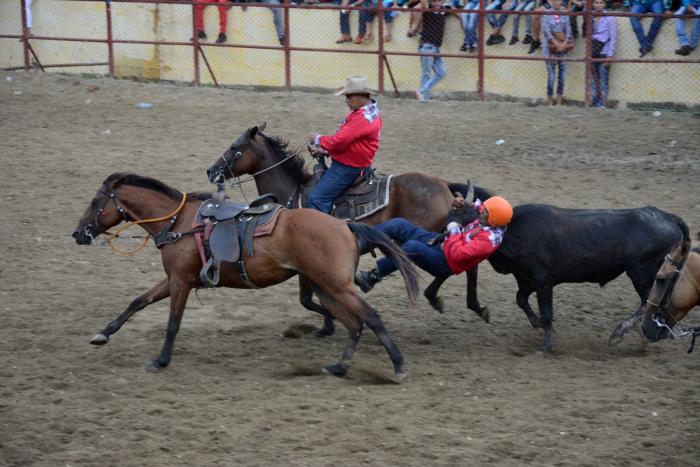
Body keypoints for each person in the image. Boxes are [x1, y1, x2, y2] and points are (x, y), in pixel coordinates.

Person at [354, 196, 514, 293]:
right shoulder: (490, 218)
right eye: (484, 209)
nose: (482, 212)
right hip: (440, 241)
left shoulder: (488, 241)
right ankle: (356, 241)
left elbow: (457, 254)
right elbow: (477, 207)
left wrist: (454, 226)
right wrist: (462, 203)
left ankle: (372, 277)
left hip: (445, 262)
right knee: (398, 224)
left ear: (493, 220)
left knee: (412, 247)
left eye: (486, 213)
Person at [307, 76, 382, 214]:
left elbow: (339, 141)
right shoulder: (367, 112)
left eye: (349, 97)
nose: (347, 101)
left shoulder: (361, 118)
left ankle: (323, 232)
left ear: (362, 96)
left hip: (348, 167)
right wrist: (326, 151)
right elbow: (350, 143)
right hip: (356, 162)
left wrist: (318, 139)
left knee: (316, 198)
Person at [416, 0, 449, 101]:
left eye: (439, 1)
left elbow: (458, 11)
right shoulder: (428, 10)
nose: (437, 4)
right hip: (427, 46)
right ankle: (424, 98)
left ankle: (422, 91)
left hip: (436, 47)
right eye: (434, 1)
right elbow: (423, 3)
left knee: (441, 73)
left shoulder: (444, 10)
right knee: (426, 73)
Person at [542, 0, 573, 105]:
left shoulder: (565, 13)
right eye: (554, 1)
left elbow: (568, 29)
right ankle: (550, 100)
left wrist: (563, 44)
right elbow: (546, 31)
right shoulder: (547, 13)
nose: (557, 2)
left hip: (562, 47)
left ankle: (559, 100)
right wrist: (556, 43)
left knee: (562, 76)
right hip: (550, 48)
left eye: (559, 0)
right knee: (551, 76)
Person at [590, 0, 617, 107]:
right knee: (594, 80)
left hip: (604, 52)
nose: (599, 5)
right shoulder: (590, 17)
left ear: (605, 4)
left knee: (603, 79)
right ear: (593, 4)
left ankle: (602, 105)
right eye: (596, 2)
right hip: (593, 51)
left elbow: (613, 37)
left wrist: (610, 55)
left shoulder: (610, 18)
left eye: (601, 2)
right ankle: (594, 103)